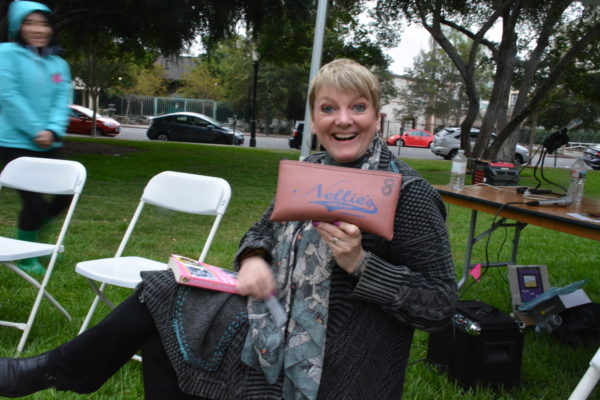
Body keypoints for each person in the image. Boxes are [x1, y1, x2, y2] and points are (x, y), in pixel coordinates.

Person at [0, 58, 457, 399]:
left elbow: (439, 306)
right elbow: (259, 231)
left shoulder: (408, 194)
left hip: (339, 367)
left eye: (358, 107)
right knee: (161, 299)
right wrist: (255, 259)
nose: (343, 119)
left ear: (377, 116)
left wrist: (360, 264)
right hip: (271, 324)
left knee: (162, 328)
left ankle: (46, 372)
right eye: (328, 108)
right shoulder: (308, 173)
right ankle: (50, 370)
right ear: (314, 120)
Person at [0, 1, 73, 274]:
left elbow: (61, 100)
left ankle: (30, 239)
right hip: (13, 142)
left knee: (65, 194)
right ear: (18, 26)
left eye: (43, 23)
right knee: (34, 201)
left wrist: (52, 130)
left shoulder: (58, 63)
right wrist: (35, 131)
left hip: (50, 141)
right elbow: (9, 95)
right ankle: (26, 258)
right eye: (30, 23)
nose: (38, 29)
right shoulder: (5, 54)